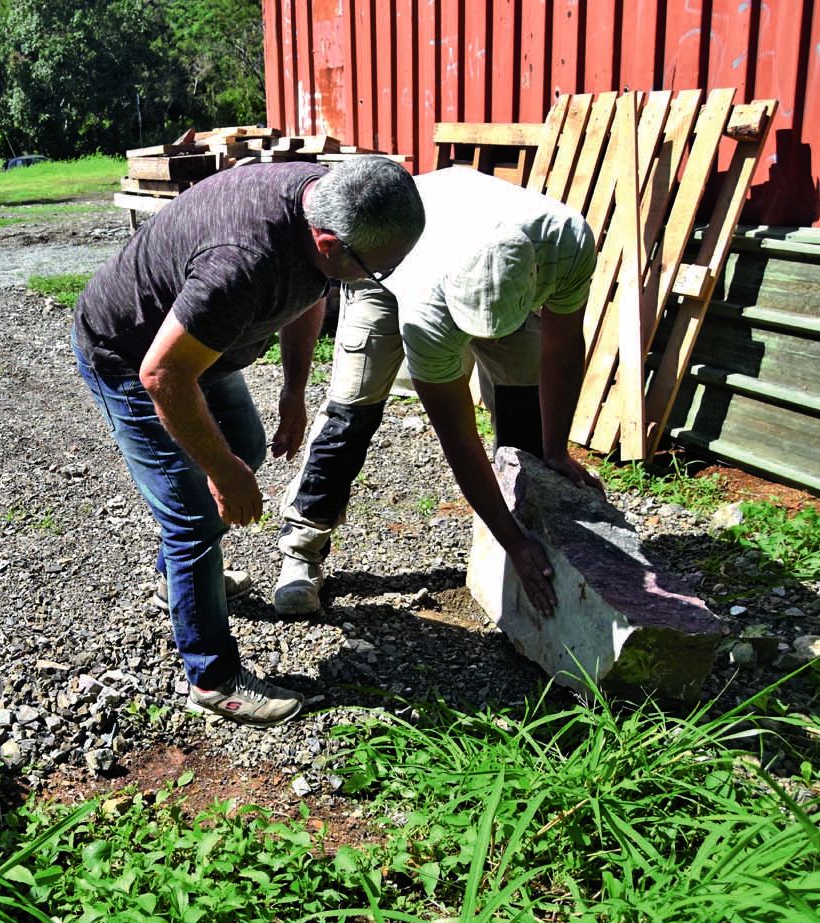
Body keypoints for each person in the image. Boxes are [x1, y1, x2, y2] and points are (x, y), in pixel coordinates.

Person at [73, 156, 425, 727]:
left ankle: (177, 585)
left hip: (201, 348)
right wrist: (221, 474)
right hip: (133, 353)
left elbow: (310, 292)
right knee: (194, 518)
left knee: (248, 449)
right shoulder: (243, 263)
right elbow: (163, 376)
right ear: (329, 241)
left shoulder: (320, 200)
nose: (375, 280)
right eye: (376, 271)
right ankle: (212, 679)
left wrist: (293, 390)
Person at [274, 165, 603, 619]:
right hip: (383, 263)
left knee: (523, 404)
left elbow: (563, 346)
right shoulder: (426, 306)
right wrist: (512, 541)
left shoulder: (567, 240)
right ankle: (302, 549)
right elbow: (458, 437)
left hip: (477, 249)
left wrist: (555, 449)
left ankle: (528, 544)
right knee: (353, 413)